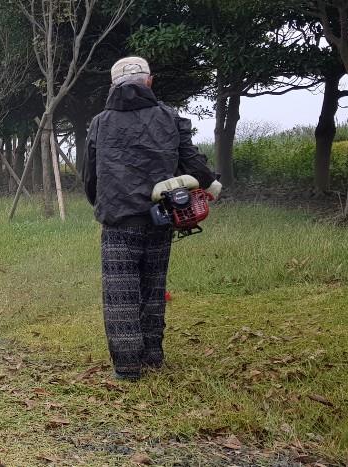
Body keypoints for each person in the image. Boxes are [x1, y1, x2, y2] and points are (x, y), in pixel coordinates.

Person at [84, 57, 223, 381]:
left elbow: (90, 178)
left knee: (120, 294)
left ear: (112, 86)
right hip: (162, 218)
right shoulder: (169, 117)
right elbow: (193, 165)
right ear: (149, 81)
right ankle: (153, 356)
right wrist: (211, 182)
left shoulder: (100, 123)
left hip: (118, 222)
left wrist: (101, 202)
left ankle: (128, 368)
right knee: (153, 286)